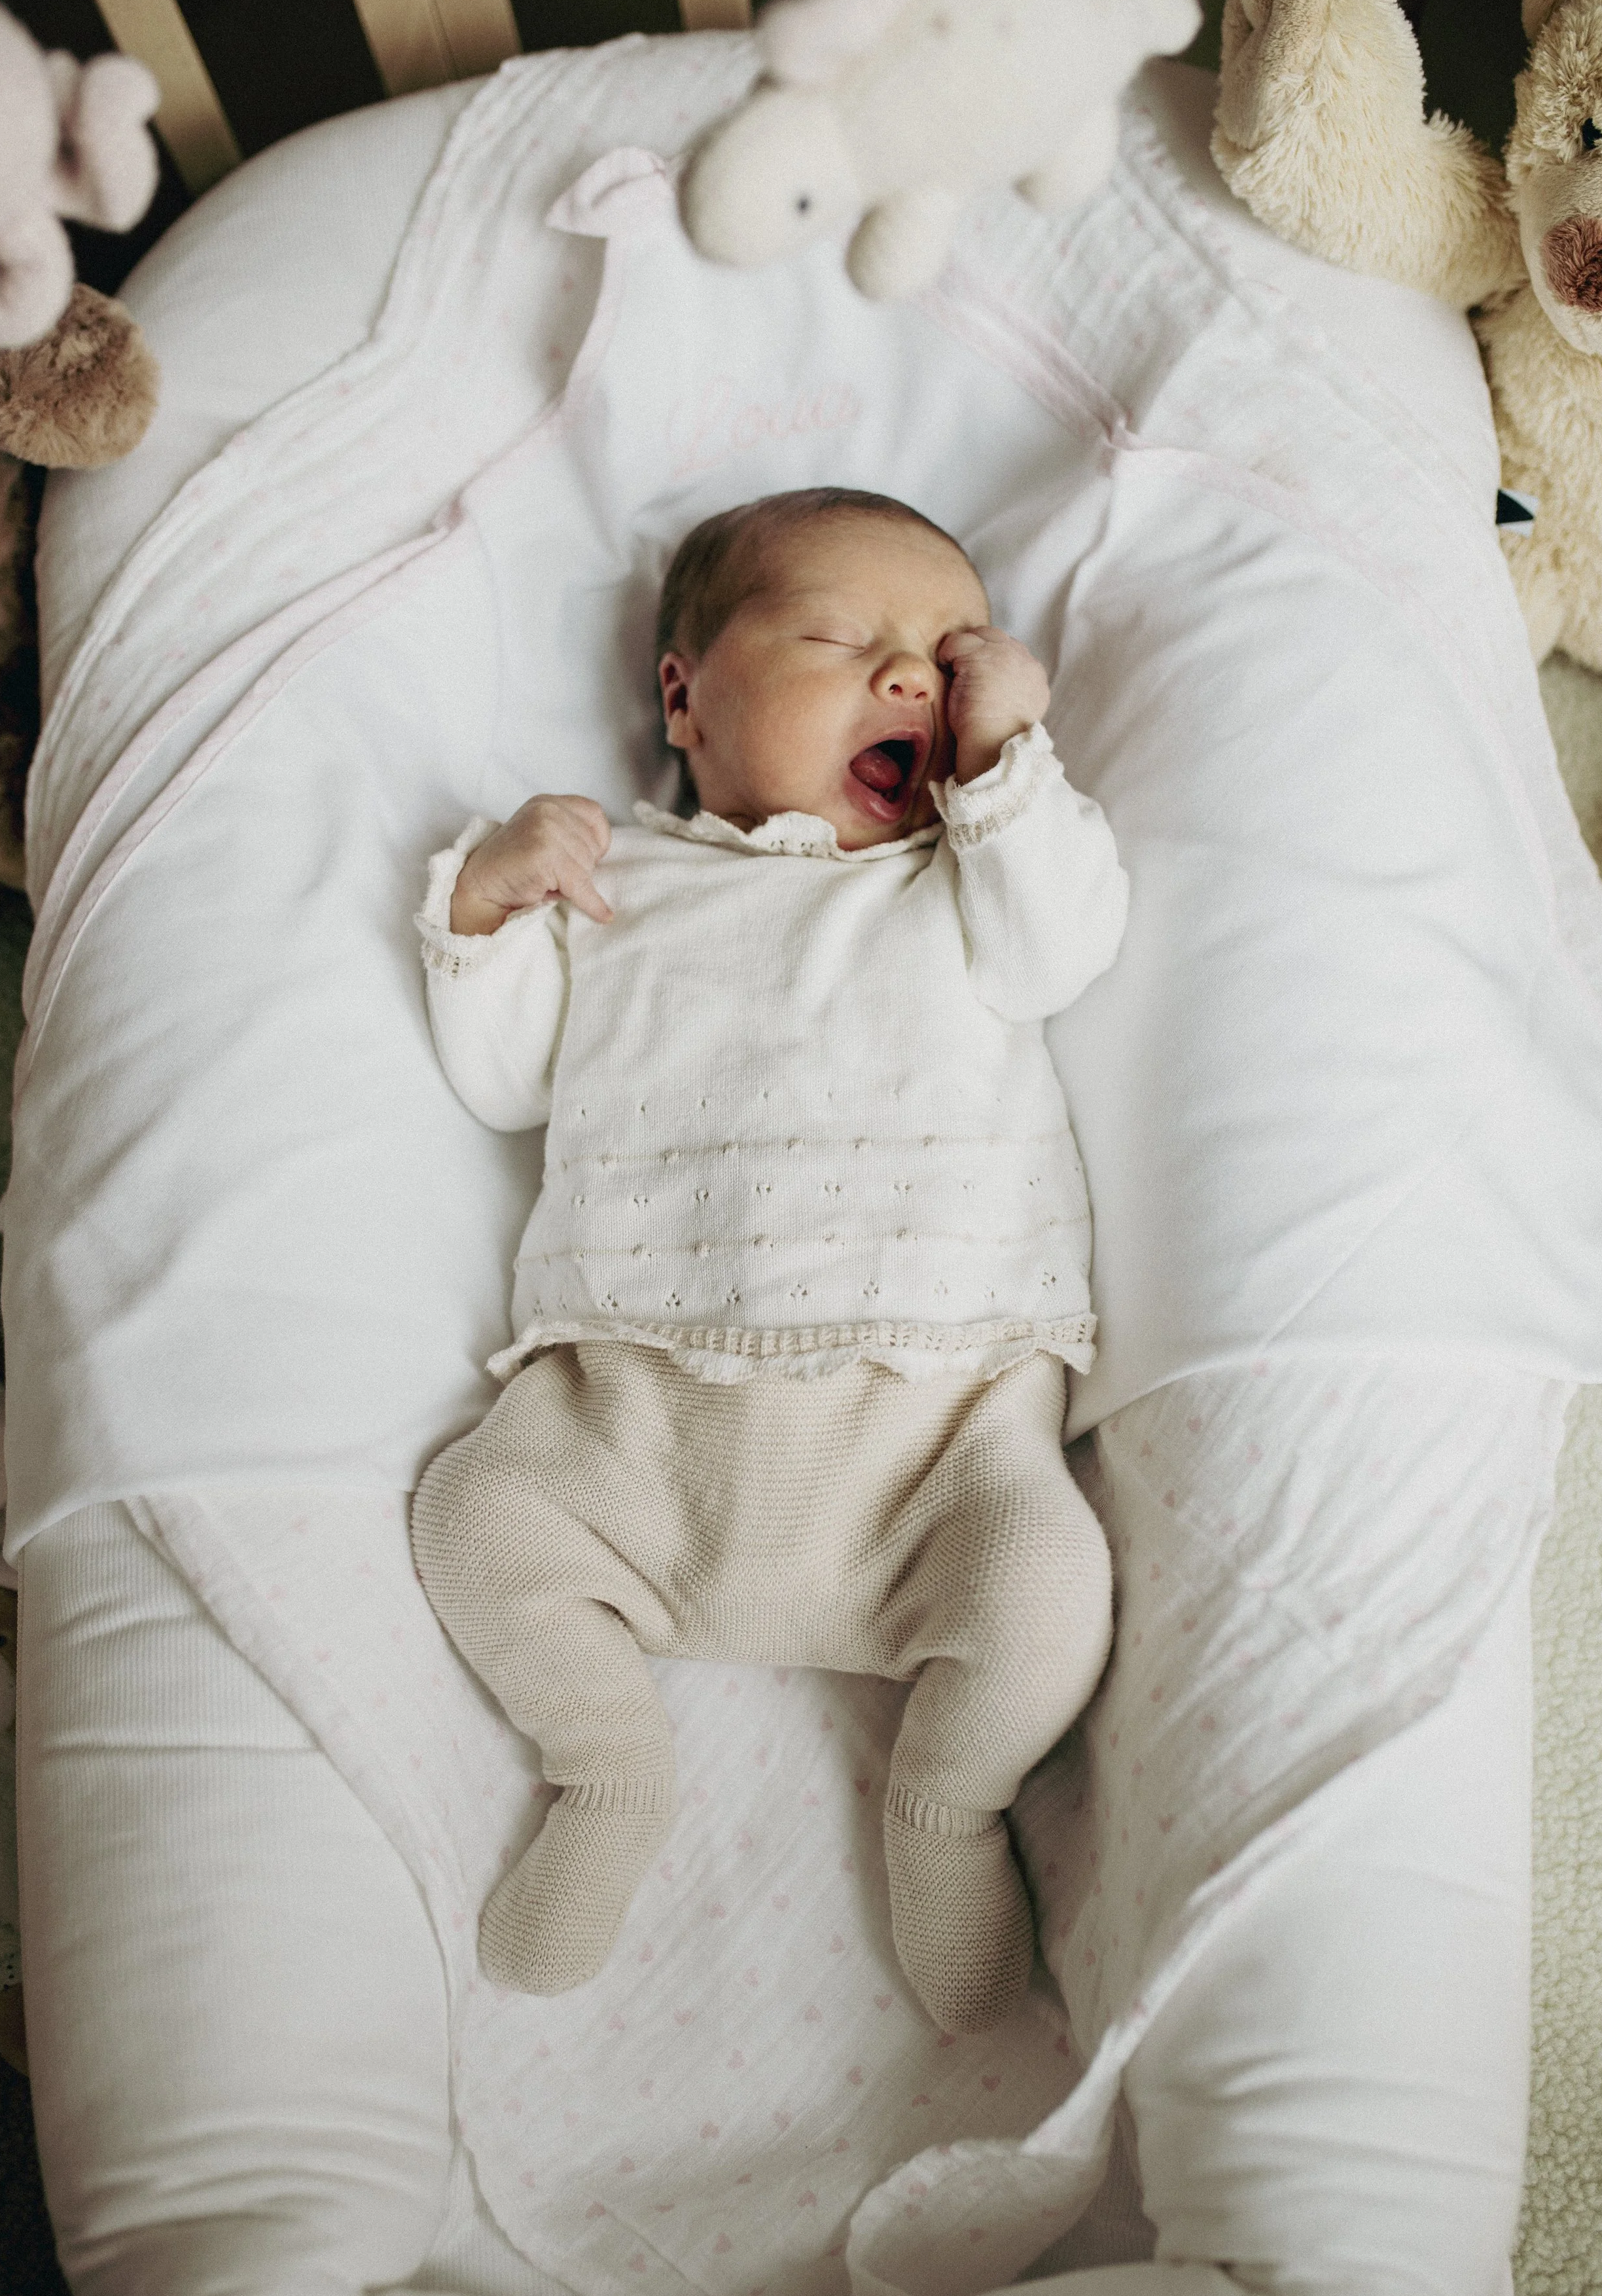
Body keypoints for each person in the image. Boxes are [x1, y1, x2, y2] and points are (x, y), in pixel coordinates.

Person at [409, 486, 1128, 2034]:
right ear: (684, 694)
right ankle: (605, 1760)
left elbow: (1065, 942)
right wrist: (483, 902)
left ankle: (946, 1802)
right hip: (636, 1420)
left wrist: (1008, 764)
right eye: (840, 639)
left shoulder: (965, 873)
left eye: (946, 656)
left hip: (932, 1445)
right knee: (474, 1517)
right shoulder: (622, 886)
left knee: (1050, 1596)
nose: (912, 681)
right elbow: (505, 1078)